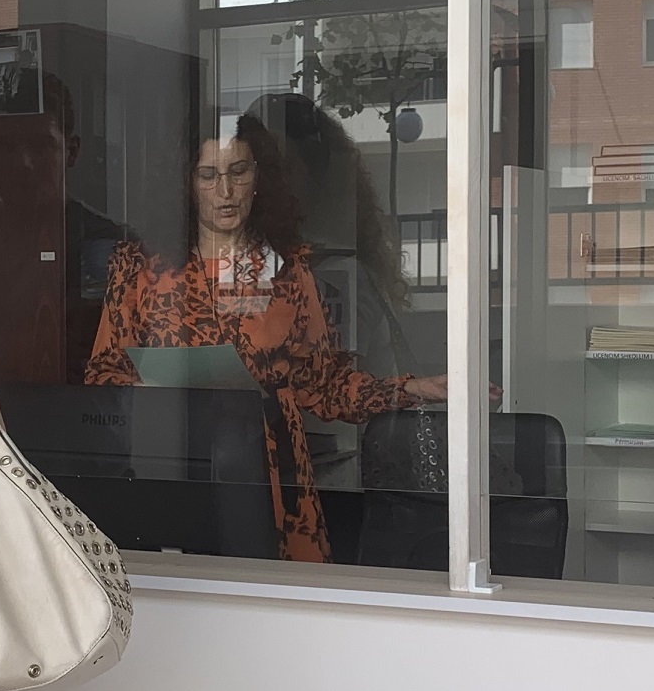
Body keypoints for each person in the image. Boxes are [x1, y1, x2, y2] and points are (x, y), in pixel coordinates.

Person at [87, 111, 447, 561]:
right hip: (170, 467)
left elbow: (323, 386)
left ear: (260, 178)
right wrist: (149, 392)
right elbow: (105, 373)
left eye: (238, 172)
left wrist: (413, 389)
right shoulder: (139, 267)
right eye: (208, 175)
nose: (225, 191)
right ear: (185, 184)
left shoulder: (287, 271)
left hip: (269, 477)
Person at [0, 72, 125, 385]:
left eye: (41, 145)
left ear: (71, 151)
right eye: (6, 146)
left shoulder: (116, 248)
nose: (23, 162)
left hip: (87, 410)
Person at [247, 90, 422, 380]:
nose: (262, 184)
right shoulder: (274, 266)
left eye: (279, 168)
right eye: (250, 169)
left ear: (317, 177)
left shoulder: (337, 276)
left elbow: (325, 389)